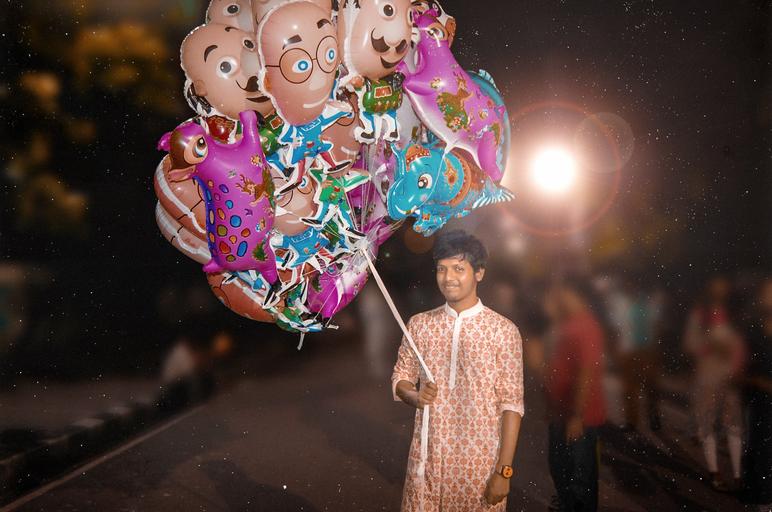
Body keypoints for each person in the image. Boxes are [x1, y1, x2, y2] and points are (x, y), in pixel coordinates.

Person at [391, 230, 524, 511]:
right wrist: (414, 396)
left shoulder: (503, 331)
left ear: (479, 273)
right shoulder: (420, 325)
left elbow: (511, 405)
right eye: (442, 269)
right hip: (427, 465)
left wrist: (503, 472)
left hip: (478, 471)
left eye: (458, 269)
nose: (448, 277)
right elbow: (401, 377)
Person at [543, 276, 607, 512]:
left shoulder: (586, 326)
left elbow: (586, 372)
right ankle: (567, 504)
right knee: (560, 466)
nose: (559, 299)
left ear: (576, 295)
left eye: (563, 294)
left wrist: (577, 415)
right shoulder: (567, 323)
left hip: (580, 416)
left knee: (579, 476)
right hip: (563, 412)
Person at [683, 276, 746, 492]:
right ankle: (714, 472)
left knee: (734, 424)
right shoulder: (700, 315)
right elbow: (690, 343)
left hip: (730, 378)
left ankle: (738, 475)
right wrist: (711, 346)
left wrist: (738, 366)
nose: (720, 292)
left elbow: (742, 347)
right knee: (707, 422)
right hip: (707, 376)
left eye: (724, 288)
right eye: (716, 288)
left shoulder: (735, 317)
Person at [740, 278, 772, 509]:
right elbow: (738, 370)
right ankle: (762, 500)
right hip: (760, 402)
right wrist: (756, 381)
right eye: (767, 293)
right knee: (759, 451)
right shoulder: (751, 330)